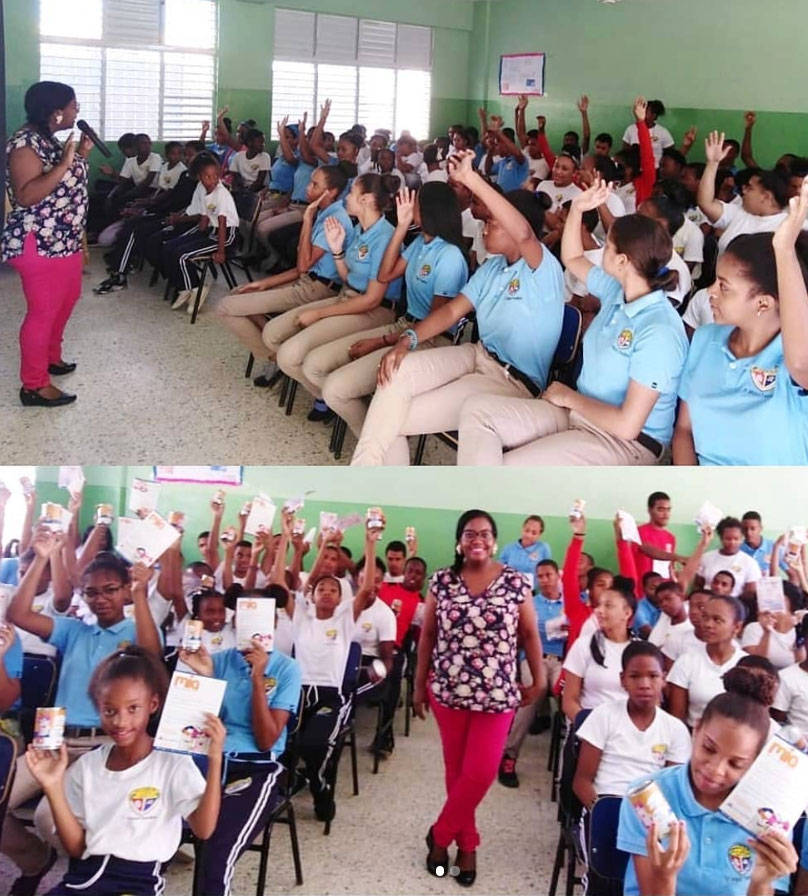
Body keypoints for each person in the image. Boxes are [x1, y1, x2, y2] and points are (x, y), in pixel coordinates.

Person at [351, 148, 564, 466]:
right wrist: (406, 340)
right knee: (395, 373)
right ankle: (373, 477)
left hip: (511, 381)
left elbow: (523, 233)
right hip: (476, 356)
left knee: (391, 418)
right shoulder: (493, 269)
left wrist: (470, 179)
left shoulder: (543, 270)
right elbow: (451, 312)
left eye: (492, 222)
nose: (485, 228)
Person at [456, 177, 688, 465]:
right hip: (580, 413)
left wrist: (569, 398)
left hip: (625, 442)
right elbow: (573, 257)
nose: (601, 248)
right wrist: (577, 208)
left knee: (512, 466)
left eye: (608, 246)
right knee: (478, 411)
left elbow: (628, 425)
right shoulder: (619, 289)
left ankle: (481, 504)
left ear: (623, 262)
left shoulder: (659, 330)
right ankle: (478, 501)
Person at [2, 538, 163, 893]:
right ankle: (35, 861)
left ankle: (88, 874)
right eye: (91, 592)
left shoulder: (137, 631)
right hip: (53, 738)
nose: (100, 598)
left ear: (124, 591)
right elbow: (18, 615)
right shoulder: (75, 630)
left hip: (103, 744)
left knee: (48, 817)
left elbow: (152, 656)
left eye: (110, 590)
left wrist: (140, 592)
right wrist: (43, 558)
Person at [26, 647, 224, 896]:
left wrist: (215, 759)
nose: (120, 722)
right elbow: (76, 849)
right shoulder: (88, 766)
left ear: (152, 704)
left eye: (133, 709)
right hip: (83, 879)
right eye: (110, 711)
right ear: (99, 708)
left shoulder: (172, 764)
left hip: (137, 884)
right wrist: (53, 787)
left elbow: (204, 829)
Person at [414, 510, 543, 886]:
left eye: (485, 534)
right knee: (456, 771)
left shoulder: (516, 581)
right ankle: (467, 845)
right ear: (459, 540)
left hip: (498, 693)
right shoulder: (441, 580)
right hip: (448, 692)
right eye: (470, 533)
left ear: (495, 540)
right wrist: (419, 683)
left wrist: (536, 680)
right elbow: (427, 636)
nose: (478, 540)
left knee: (481, 771)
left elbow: (531, 634)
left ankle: (440, 835)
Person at [307, 182, 469, 436]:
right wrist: (402, 227)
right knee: (319, 366)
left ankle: (378, 445)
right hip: (404, 326)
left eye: (414, 203)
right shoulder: (421, 243)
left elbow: (435, 323)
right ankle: (378, 434)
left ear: (430, 209)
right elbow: (384, 275)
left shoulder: (449, 255)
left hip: (430, 338)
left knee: (335, 389)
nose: (407, 206)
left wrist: (380, 341)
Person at [616, 679, 798, 896]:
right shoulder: (649, 796)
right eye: (709, 749)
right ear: (696, 730)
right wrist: (665, 876)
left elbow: (764, 884)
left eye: (735, 763)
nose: (716, 770)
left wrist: (761, 882)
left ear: (754, 761)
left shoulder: (769, 816)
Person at [673, 181, 808, 465]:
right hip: (706, 502)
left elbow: (801, 363)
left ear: (763, 303)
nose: (709, 292)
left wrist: (783, 251)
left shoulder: (792, 359)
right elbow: (684, 430)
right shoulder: (706, 339)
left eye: (724, 287)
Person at [178, 589, 302, 896]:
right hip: (204, 759)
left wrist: (258, 677)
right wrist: (205, 679)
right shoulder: (217, 660)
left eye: (261, 618)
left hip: (253, 767)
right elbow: (188, 729)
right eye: (245, 618)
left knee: (215, 852)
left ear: (273, 623)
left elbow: (266, 740)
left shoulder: (287, 669)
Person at [263, 172, 402, 422]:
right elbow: (349, 279)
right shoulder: (361, 229)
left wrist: (318, 313)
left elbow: (371, 299)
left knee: (304, 360)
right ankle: (331, 399)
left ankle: (341, 402)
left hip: (373, 310)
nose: (347, 197)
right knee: (277, 340)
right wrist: (337, 251)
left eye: (352, 193)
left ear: (367, 200)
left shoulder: (385, 237)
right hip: (348, 298)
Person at [281, 512, 379, 822]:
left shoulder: (344, 620)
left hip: (328, 697)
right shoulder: (302, 618)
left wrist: (369, 541)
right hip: (297, 693)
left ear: (340, 598)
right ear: (314, 595)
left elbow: (364, 590)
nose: (326, 592)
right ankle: (285, 784)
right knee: (282, 742)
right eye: (321, 588)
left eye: (333, 589)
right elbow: (293, 586)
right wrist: (319, 543)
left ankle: (319, 786)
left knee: (313, 744)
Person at [215, 165, 352, 386]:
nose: (308, 187)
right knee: (238, 293)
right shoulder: (323, 211)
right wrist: (262, 284)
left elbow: (304, 265)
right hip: (306, 281)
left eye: (315, 184)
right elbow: (301, 271)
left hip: (318, 289)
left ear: (332, 191)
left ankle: (273, 357)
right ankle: (276, 354)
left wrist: (306, 220)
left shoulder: (333, 219)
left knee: (225, 307)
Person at [2, 81, 93, 407]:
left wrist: (79, 155)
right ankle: (35, 385)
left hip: (63, 240)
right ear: (56, 112)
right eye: (73, 105)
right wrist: (67, 164)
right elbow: (27, 195)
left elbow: (60, 186)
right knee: (42, 312)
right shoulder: (25, 144)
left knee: (68, 298)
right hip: (39, 243)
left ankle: (51, 357)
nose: (77, 110)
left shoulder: (48, 140)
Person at [499, 558, 564, 788]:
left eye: (549, 575)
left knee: (564, 696)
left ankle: (569, 761)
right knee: (532, 694)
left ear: (558, 576)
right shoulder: (530, 602)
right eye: (541, 576)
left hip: (562, 661)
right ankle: (509, 755)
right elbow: (518, 636)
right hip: (534, 658)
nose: (545, 580)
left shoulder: (570, 603)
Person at [162, 153, 239, 313]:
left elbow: (223, 223)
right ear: (199, 177)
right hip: (211, 231)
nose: (212, 179)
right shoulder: (204, 191)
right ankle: (185, 288)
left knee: (182, 255)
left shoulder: (221, 193)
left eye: (215, 176)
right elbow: (204, 219)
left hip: (226, 237)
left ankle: (198, 288)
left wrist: (221, 251)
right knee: (169, 247)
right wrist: (194, 237)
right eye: (207, 176)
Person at [562, 578, 637, 722]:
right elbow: (569, 701)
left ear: (627, 613)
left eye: (608, 606)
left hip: (629, 729)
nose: (599, 611)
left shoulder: (640, 651)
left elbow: (652, 701)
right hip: (590, 727)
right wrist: (591, 729)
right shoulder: (583, 645)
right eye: (599, 605)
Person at [667, 595, 746, 729]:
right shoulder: (686, 662)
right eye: (705, 617)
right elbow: (677, 720)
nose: (708, 624)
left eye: (717, 620)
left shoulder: (745, 665)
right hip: (695, 739)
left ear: (737, 627)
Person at [695, 517, 762, 599]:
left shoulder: (750, 563)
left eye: (736, 539)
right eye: (728, 539)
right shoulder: (706, 558)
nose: (732, 542)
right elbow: (698, 585)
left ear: (742, 538)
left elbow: (750, 593)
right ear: (720, 538)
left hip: (735, 606)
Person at [499, 515, 552, 585]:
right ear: (522, 529)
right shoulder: (509, 548)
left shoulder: (543, 548)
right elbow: (499, 570)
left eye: (534, 533)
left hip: (533, 592)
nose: (529, 535)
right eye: (527, 530)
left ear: (540, 535)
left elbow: (548, 572)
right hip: (510, 590)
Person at [621, 98, 673, 168]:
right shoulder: (630, 129)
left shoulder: (663, 132)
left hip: (655, 170)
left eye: (645, 112)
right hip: (635, 170)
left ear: (654, 115)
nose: (641, 114)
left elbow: (671, 153)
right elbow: (625, 152)